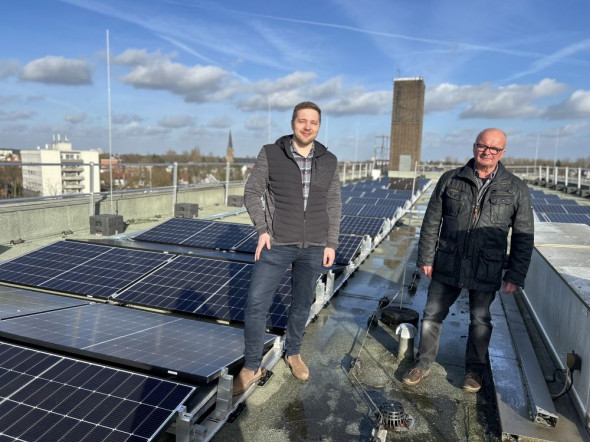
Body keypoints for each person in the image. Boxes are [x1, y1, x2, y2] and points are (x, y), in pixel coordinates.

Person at [402, 128, 534, 393]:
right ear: (474, 147)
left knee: (480, 320)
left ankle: (474, 370)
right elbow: (431, 222)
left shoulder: (516, 188)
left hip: (487, 266)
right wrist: (426, 257)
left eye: (494, 149)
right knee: (431, 315)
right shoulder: (450, 179)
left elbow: (524, 235)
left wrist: (515, 275)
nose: (487, 152)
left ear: (502, 153)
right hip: (448, 261)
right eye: (482, 146)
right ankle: (423, 363)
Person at [233, 101, 342, 395]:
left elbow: (333, 203)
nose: (307, 126)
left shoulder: (329, 160)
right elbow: (252, 192)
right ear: (293, 123)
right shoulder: (271, 153)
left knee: (302, 302)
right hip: (277, 242)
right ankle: (252, 366)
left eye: (313, 122)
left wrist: (331, 242)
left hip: (315, 245)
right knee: (257, 303)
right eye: (302, 121)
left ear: (319, 126)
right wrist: (262, 230)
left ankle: (293, 352)